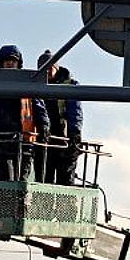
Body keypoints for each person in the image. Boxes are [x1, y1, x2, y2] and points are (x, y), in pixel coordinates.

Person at [0, 44, 50, 181]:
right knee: (4, 179)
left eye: (13, 60)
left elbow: (39, 107)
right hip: (0, 139)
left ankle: (19, 202)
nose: (10, 63)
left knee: (22, 181)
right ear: (1, 62)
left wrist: (44, 126)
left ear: (18, 63)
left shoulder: (28, 83)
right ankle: (5, 202)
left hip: (24, 140)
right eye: (7, 60)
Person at [35, 50, 83, 186]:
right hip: (44, 139)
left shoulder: (70, 85)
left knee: (66, 180)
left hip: (65, 138)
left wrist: (75, 133)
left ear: (56, 68)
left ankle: (66, 207)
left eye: (50, 67)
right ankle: (43, 206)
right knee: (44, 181)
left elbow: (75, 111)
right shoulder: (34, 87)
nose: (47, 71)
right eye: (44, 68)